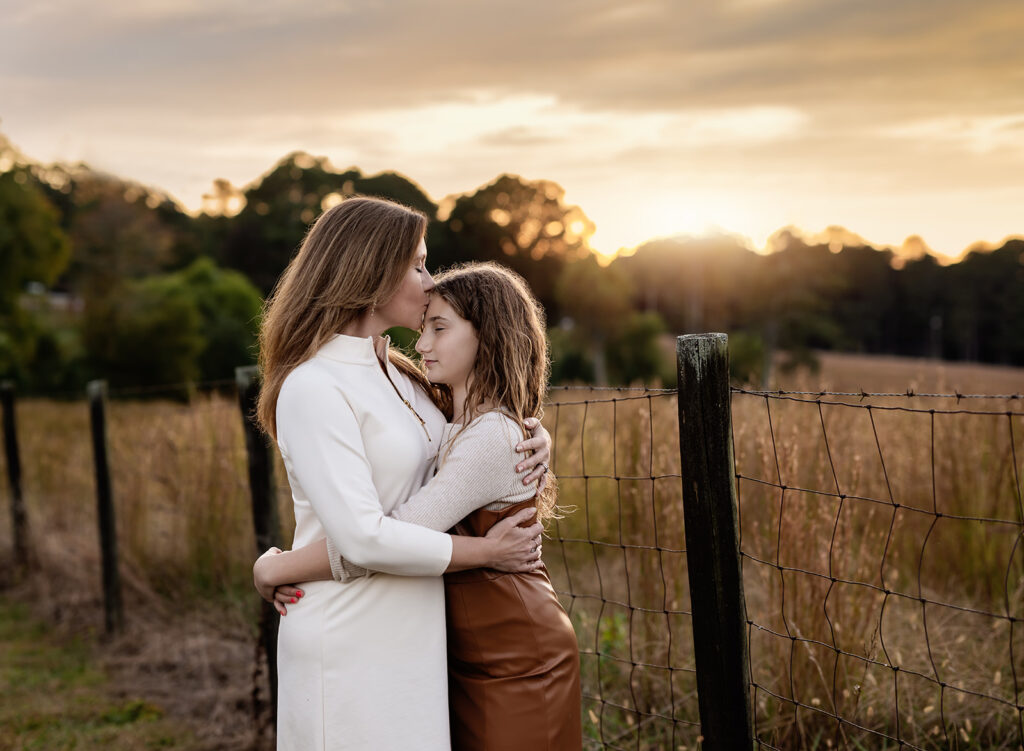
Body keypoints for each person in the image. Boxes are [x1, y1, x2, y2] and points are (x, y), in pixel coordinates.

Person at [252, 197, 552, 751]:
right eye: (417, 263)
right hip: (347, 633)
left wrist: (531, 433)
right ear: (373, 269)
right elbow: (362, 536)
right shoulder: (314, 386)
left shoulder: (401, 374)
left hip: (416, 632)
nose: (429, 278)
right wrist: (486, 554)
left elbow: (470, 443)